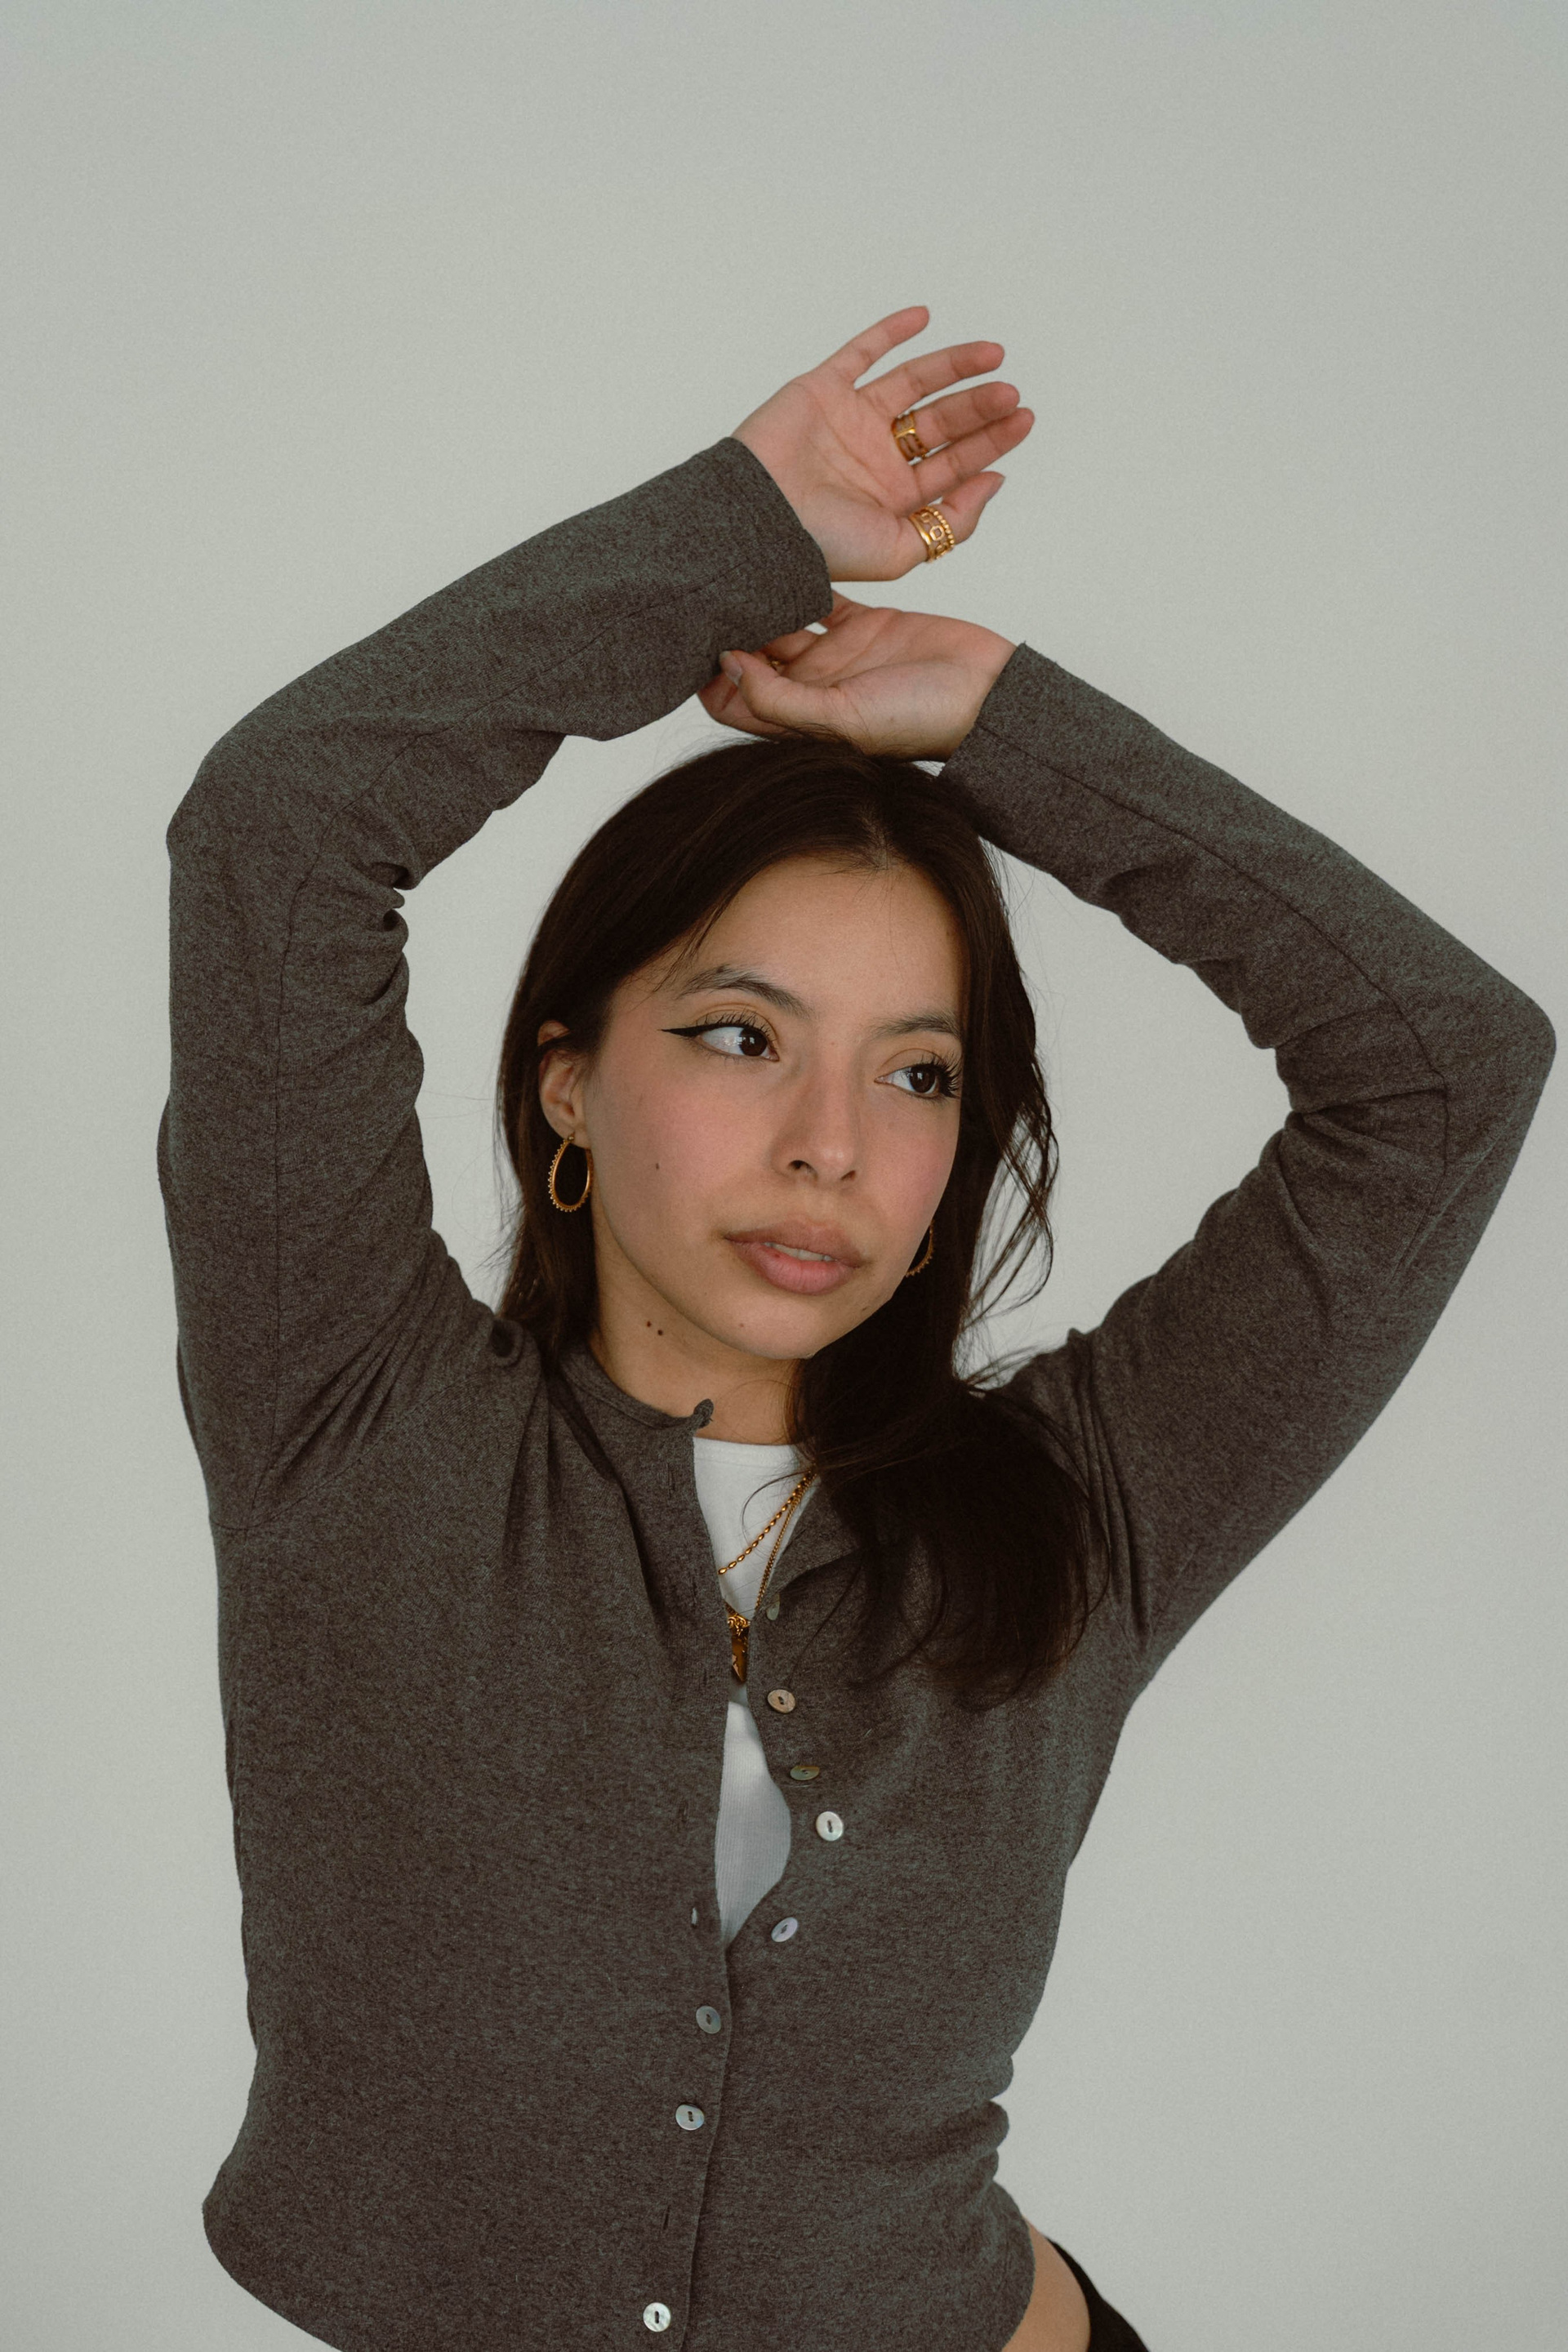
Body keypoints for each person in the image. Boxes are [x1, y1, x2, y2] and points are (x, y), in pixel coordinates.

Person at [158, 306, 1553, 2352]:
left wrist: (1002, 723)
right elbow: (281, 825)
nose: (830, 1144)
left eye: (915, 1073)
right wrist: (734, 533)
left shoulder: (1089, 1509)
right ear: (569, 1082)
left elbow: (1446, 1070)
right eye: (742, 1037)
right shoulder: (352, 1420)